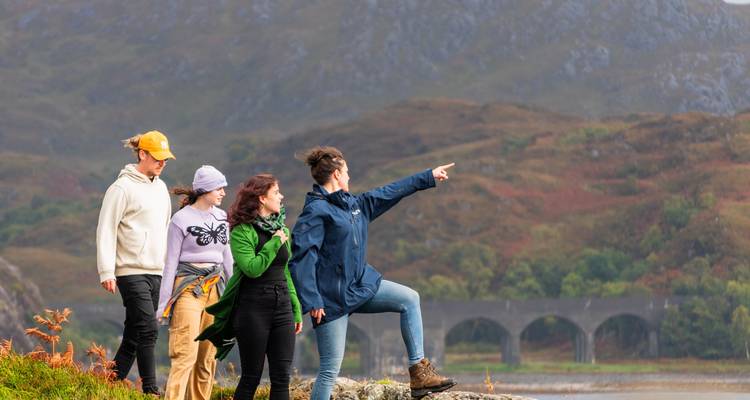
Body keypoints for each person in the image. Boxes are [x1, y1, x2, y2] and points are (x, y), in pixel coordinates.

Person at [289, 146, 456, 400]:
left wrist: (428, 177)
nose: (349, 176)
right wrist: (312, 299)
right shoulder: (316, 211)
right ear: (335, 174)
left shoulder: (355, 205)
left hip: (360, 285)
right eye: (346, 172)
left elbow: (390, 191)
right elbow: (301, 258)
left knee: (410, 298)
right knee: (329, 371)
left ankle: (420, 375)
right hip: (331, 300)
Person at [198, 174, 303, 400]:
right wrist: (275, 242)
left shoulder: (282, 228)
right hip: (253, 309)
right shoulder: (241, 232)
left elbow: (285, 271)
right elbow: (252, 268)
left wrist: (295, 307)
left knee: (281, 378)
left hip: (282, 305)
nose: (281, 196)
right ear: (262, 198)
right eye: (276, 192)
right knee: (251, 377)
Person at [95, 130, 175, 396]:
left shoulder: (161, 188)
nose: (162, 163)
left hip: (155, 271)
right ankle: (151, 390)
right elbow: (106, 229)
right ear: (142, 154)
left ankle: (108, 385)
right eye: (157, 158)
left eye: (165, 159)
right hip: (129, 271)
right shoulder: (121, 188)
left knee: (134, 333)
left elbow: (164, 228)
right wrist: (107, 270)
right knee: (149, 328)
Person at [156, 165, 234, 400]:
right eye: (219, 188)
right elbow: (170, 264)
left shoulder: (222, 217)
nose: (223, 192)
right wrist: (163, 305)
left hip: (216, 289)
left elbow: (227, 258)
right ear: (206, 189)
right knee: (184, 355)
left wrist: (235, 293)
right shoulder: (180, 220)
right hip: (189, 288)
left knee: (207, 358)